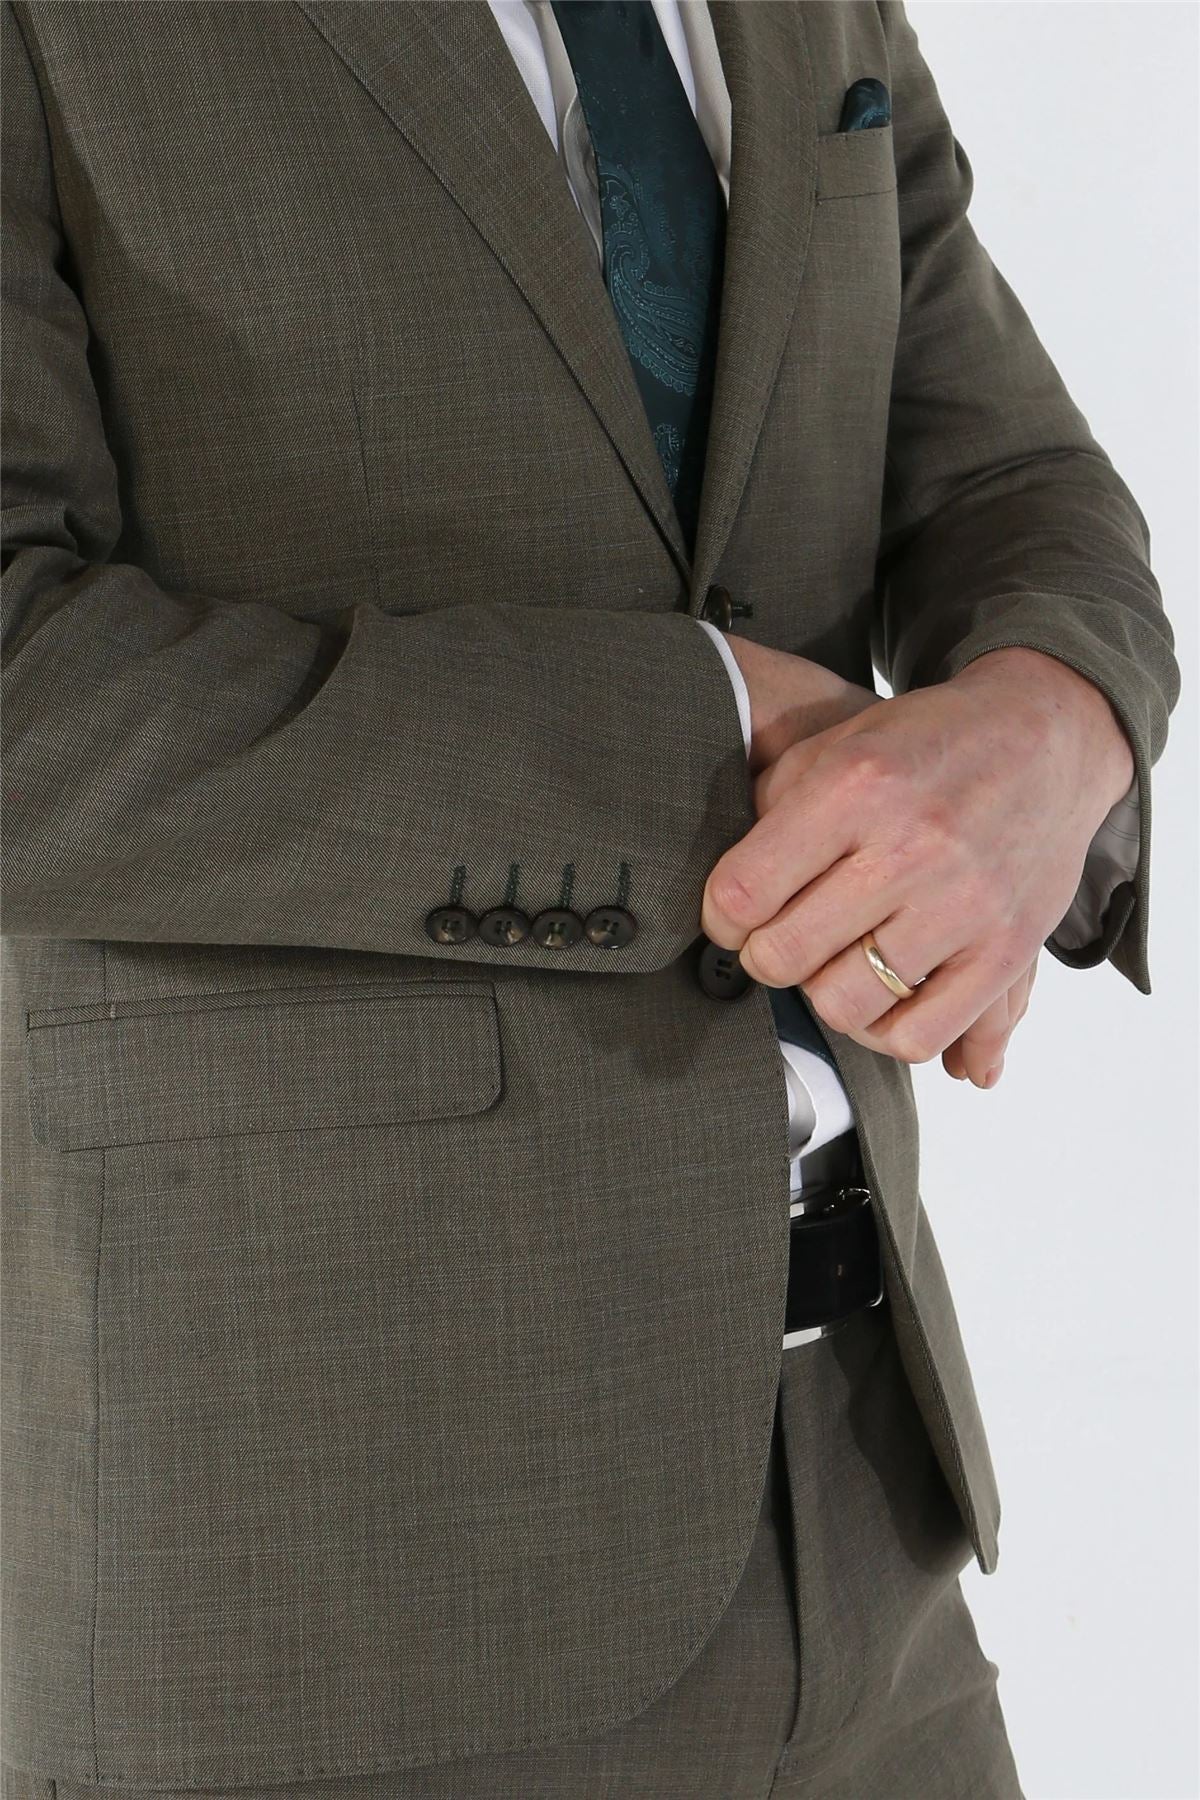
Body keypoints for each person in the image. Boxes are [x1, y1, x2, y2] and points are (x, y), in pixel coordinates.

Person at [0, 3, 1179, 1797]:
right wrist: (706, 736)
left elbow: (1005, 475)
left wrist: (1050, 726)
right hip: (327, 1567)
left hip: (869, 1528)